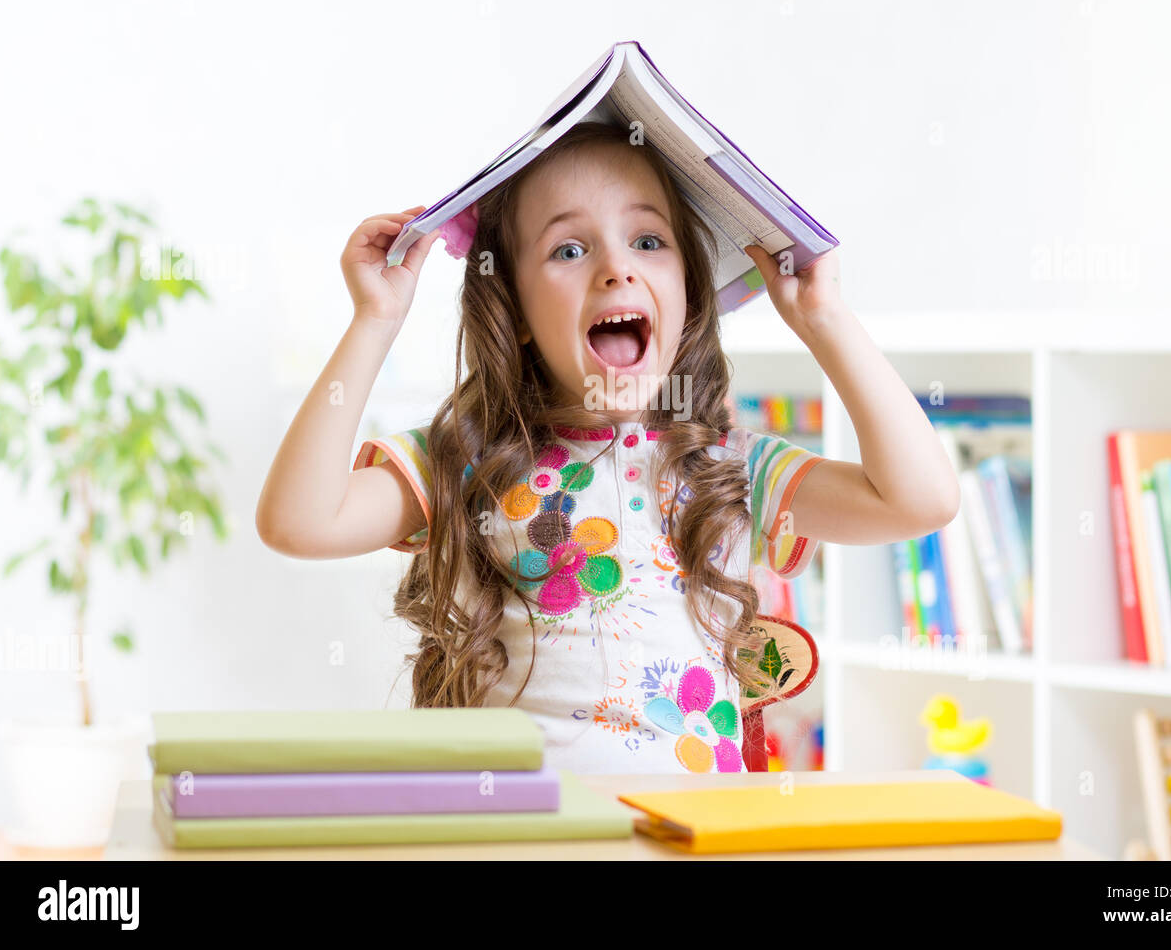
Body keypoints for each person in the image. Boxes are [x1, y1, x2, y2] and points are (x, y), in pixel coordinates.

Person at [256, 120, 959, 774]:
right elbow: (299, 521)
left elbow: (920, 501)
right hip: (530, 838)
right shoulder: (466, 456)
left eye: (648, 241)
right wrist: (374, 321)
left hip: (694, 842)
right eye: (568, 248)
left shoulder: (732, 467)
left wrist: (826, 320)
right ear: (519, 314)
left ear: (686, 288)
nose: (617, 269)